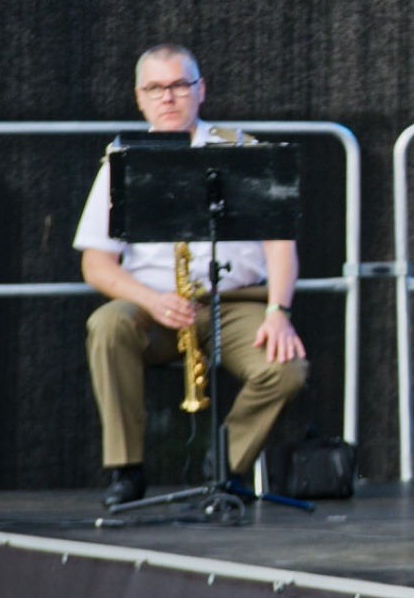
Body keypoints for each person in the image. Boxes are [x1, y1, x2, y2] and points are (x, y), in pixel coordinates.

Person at [75, 44, 309, 507]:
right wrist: (150, 299)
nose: (168, 97)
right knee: (107, 325)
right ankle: (126, 470)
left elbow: (281, 247)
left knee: (287, 370)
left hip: (236, 303)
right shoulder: (122, 160)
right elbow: (96, 263)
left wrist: (279, 312)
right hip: (156, 308)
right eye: (155, 88)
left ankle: (224, 469)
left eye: (179, 85)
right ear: (139, 97)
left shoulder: (243, 151)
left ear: (201, 90)